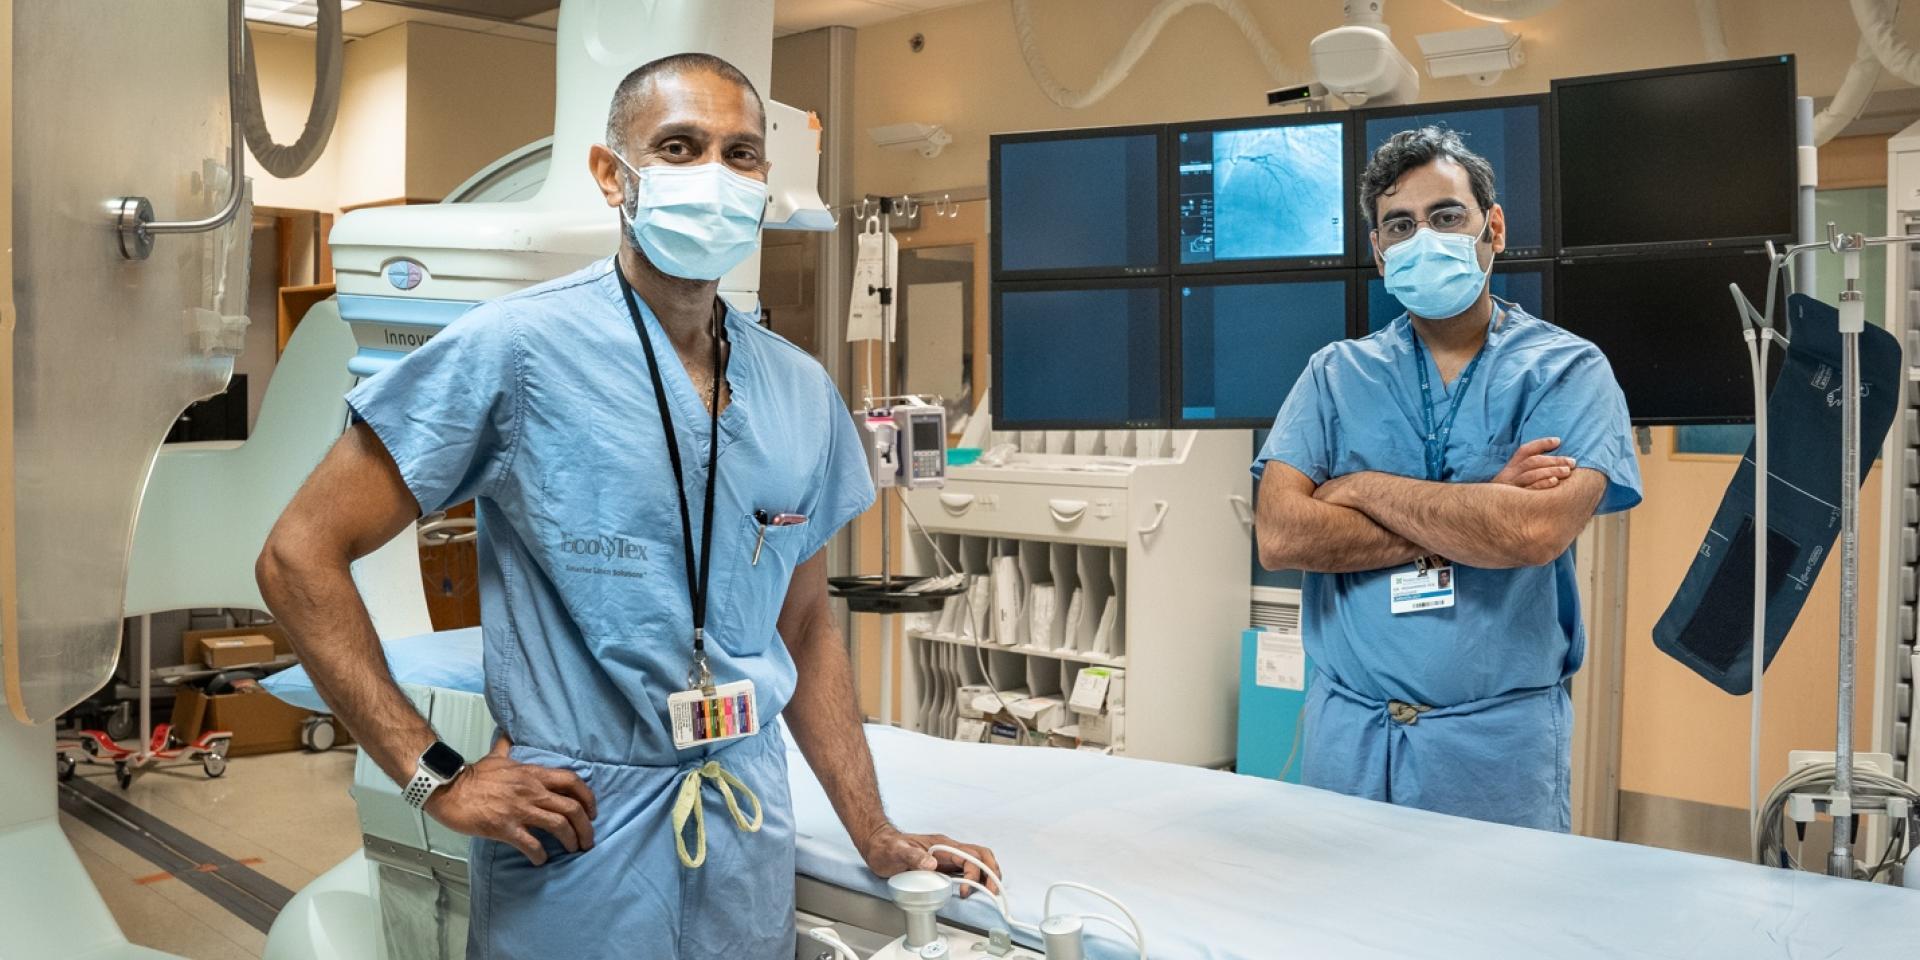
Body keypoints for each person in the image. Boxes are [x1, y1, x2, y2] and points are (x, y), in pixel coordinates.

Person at [257, 53, 999, 956]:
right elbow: (300, 553)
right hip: (575, 833)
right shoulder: (517, 353)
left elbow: (804, 629)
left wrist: (875, 831)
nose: (713, 177)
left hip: (742, 822)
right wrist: (434, 777)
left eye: (740, 155)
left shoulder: (800, 393)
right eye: (679, 147)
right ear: (613, 174)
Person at [1252, 126, 1643, 832]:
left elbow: (1531, 530)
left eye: (1446, 216)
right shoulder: (1335, 375)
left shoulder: (1566, 371)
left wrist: (1358, 489)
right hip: (1350, 740)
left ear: (1492, 228)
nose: (1422, 237)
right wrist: (1476, 507)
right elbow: (1281, 535)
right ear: (1378, 253)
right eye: (1399, 225)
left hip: (1494, 750)